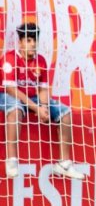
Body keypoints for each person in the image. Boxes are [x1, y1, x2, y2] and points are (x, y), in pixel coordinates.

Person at [2, 22, 85, 180]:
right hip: (10, 97)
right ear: (20, 42)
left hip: (33, 99)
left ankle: (64, 164)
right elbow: (11, 89)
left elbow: (43, 89)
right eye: (28, 40)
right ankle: (12, 160)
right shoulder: (10, 59)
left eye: (35, 41)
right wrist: (36, 108)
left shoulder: (40, 61)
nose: (32, 44)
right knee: (15, 108)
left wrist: (45, 108)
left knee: (65, 112)